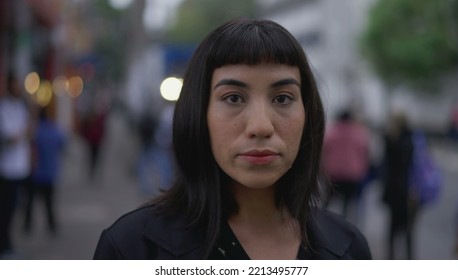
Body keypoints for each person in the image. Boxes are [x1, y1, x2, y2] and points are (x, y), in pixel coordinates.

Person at [93, 18, 371, 260]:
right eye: (233, 98)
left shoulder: (348, 249)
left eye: (283, 98)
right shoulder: (133, 250)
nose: (261, 126)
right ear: (199, 112)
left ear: (308, 114)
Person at [0, 73, 32, 258]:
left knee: (14, 210)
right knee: (5, 210)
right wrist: (22, 132)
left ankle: (8, 244)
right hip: (7, 170)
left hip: (21, 167)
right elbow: (10, 138)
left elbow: (28, 131)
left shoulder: (20, 107)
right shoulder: (3, 108)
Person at [23, 106, 66, 234]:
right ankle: (52, 226)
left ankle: (27, 225)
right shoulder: (54, 129)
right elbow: (63, 143)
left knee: (30, 202)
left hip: (35, 172)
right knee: (49, 202)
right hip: (50, 173)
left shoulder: (35, 131)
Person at [322, 108, 370, 220]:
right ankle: (344, 224)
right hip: (352, 174)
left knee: (328, 201)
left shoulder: (332, 131)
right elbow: (364, 152)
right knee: (348, 203)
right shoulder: (359, 133)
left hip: (333, 173)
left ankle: (322, 221)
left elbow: (324, 149)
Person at [381, 113, 416, 259]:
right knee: (408, 227)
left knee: (394, 227)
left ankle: (391, 257)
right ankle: (408, 257)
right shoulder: (412, 140)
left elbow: (388, 165)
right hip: (411, 190)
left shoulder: (393, 141)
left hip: (398, 191)